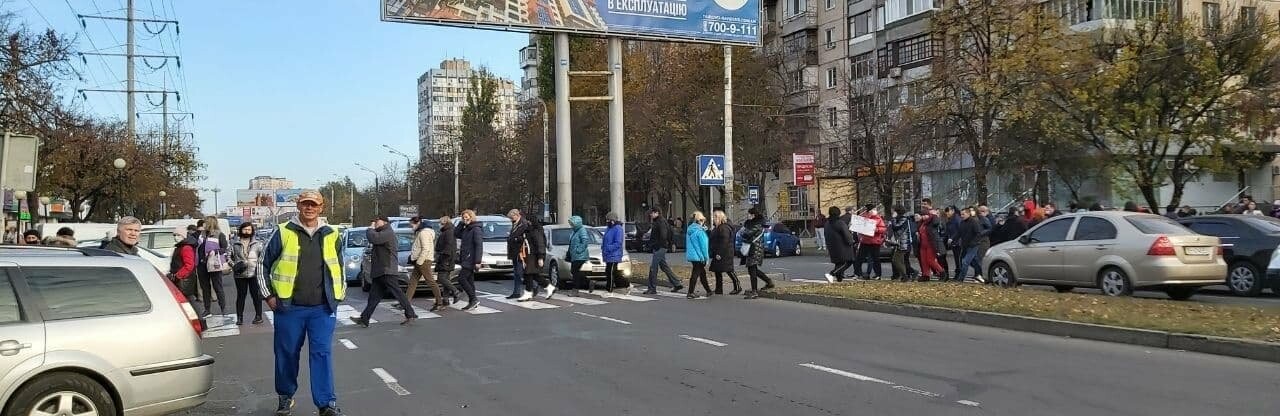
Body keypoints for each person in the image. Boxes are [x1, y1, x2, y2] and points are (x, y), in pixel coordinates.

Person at [256, 190, 346, 416]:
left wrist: (339, 295)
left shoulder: (332, 234)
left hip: (322, 308)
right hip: (289, 308)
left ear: (321, 207)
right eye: (305, 204)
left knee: (322, 354)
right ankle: (285, 396)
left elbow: (339, 267)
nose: (309, 208)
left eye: (313, 205)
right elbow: (262, 265)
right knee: (287, 354)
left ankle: (326, 404)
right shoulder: (283, 231)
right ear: (298, 206)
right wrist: (269, 296)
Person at [354, 216, 416, 327]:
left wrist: (369, 228)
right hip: (380, 270)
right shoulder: (382, 232)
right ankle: (364, 318)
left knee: (397, 292)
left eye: (377, 221)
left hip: (387, 269)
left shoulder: (387, 232)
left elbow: (374, 238)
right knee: (373, 297)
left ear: (385, 222)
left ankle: (410, 314)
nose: (375, 223)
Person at [195, 217, 230, 318]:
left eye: (205, 223)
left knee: (218, 287)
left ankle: (223, 309)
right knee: (205, 288)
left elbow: (225, 248)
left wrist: (216, 251)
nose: (204, 224)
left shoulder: (219, 234)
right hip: (201, 265)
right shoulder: (201, 235)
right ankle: (207, 310)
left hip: (214, 264)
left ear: (210, 223)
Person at [231, 223, 265, 326]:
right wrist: (234, 265)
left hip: (254, 273)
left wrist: (259, 270)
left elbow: (262, 257)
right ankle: (239, 317)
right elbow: (228, 256)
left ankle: (258, 316)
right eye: (245, 229)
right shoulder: (234, 243)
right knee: (241, 296)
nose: (247, 231)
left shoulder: (258, 244)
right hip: (240, 274)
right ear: (241, 230)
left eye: (249, 230)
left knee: (256, 296)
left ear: (252, 231)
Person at [409, 216, 446, 311]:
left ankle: (439, 302)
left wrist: (419, 261)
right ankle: (405, 302)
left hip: (423, 261)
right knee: (413, 282)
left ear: (418, 223)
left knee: (430, 282)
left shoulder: (423, 233)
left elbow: (425, 248)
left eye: (412, 224)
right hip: (421, 260)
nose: (411, 226)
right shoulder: (424, 232)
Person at [644, 208, 683, 294]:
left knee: (653, 267)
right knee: (664, 266)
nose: (651, 215)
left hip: (660, 247)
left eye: (652, 213)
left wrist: (657, 246)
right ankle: (677, 283)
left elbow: (663, 235)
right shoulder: (660, 221)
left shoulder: (660, 222)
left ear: (657, 213)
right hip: (661, 246)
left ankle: (652, 288)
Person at [170, 226, 206, 319]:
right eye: (174, 235)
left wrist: (178, 275)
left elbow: (189, 265)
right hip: (182, 278)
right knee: (188, 302)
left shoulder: (186, 248)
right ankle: (198, 321)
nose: (175, 237)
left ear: (183, 236)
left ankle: (200, 321)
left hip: (185, 279)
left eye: (177, 235)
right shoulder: (180, 246)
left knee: (191, 301)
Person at [739, 208, 774, 299]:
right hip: (753, 248)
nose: (748, 216)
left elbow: (746, 234)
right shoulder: (753, 224)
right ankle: (768, 281)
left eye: (749, 214)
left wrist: (743, 230)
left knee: (752, 269)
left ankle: (754, 291)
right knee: (753, 269)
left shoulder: (757, 224)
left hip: (755, 249)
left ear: (753, 215)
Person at [708, 210, 742, 294]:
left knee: (729, 270)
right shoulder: (718, 227)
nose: (713, 219)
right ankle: (719, 289)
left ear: (719, 218)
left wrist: (719, 253)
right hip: (719, 251)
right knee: (717, 270)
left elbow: (724, 241)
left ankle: (737, 286)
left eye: (715, 217)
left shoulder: (724, 227)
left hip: (724, 252)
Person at [457, 210, 483, 310]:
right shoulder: (466, 228)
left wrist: (478, 261)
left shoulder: (476, 229)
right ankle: (473, 301)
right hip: (465, 258)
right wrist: (461, 223)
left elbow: (479, 246)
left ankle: (473, 299)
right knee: (470, 280)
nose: (465, 219)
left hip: (470, 258)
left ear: (471, 217)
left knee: (461, 279)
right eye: (463, 218)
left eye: (467, 217)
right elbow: (456, 233)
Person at [523, 215, 554, 299]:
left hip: (534, 255)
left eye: (527, 221)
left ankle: (528, 293)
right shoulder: (530, 230)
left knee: (529, 274)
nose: (526, 222)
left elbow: (540, 244)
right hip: (530, 255)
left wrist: (540, 257)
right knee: (533, 275)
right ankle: (548, 286)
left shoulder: (535, 230)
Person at [504, 209, 532, 300]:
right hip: (515, 251)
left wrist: (515, 239)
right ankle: (516, 292)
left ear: (516, 215)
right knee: (517, 273)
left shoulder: (524, 224)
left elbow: (525, 237)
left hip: (521, 251)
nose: (511, 220)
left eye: (511, 218)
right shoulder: (516, 223)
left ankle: (534, 287)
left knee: (521, 273)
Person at [824, 206, 856, 283]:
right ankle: (832, 274)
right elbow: (847, 235)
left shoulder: (827, 223)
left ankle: (839, 280)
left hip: (831, 246)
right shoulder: (840, 223)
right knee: (848, 261)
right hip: (842, 246)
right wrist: (852, 241)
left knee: (839, 263)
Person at [434, 216, 462, 306]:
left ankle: (455, 291)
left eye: (440, 223)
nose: (439, 225)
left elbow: (448, 247)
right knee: (446, 279)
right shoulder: (447, 231)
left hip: (446, 259)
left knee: (441, 278)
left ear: (444, 223)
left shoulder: (448, 232)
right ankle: (445, 299)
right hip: (447, 258)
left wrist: (442, 257)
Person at [684, 211, 712, 299]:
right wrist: (705, 257)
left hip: (692, 255)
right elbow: (703, 246)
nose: (703, 222)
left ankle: (708, 290)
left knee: (701, 273)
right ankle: (690, 292)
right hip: (699, 256)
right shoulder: (699, 232)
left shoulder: (690, 229)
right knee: (696, 273)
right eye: (702, 220)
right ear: (700, 221)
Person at [855, 205, 887, 280]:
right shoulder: (864, 217)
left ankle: (878, 274)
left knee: (875, 258)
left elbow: (883, 229)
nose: (875, 210)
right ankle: (857, 273)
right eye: (873, 209)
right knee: (859, 258)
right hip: (865, 241)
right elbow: (859, 226)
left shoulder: (878, 218)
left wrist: (877, 230)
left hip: (874, 241)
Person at [956, 207, 986, 283]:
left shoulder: (974, 221)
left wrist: (973, 242)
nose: (962, 216)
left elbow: (978, 233)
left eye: (963, 214)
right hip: (966, 245)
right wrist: (952, 239)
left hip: (973, 245)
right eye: (961, 214)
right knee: (974, 262)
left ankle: (960, 279)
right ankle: (982, 273)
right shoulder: (962, 223)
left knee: (965, 262)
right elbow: (959, 233)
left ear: (968, 214)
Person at [917, 208, 946, 282]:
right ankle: (926, 275)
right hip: (923, 245)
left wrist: (934, 215)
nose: (924, 216)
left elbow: (937, 222)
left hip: (931, 244)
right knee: (924, 261)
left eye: (925, 215)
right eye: (922, 215)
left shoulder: (932, 221)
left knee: (930, 260)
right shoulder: (922, 223)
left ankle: (942, 273)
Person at [889, 205, 917, 281]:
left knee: (896, 260)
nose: (892, 212)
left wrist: (893, 218)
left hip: (904, 243)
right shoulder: (901, 218)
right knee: (900, 260)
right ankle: (906, 275)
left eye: (893, 210)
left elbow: (896, 227)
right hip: (901, 243)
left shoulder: (903, 219)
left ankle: (907, 275)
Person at [567, 215, 592, 293]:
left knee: (575, 272)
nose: (571, 225)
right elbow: (572, 243)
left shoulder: (582, 230)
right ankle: (589, 282)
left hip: (580, 255)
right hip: (575, 255)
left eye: (572, 224)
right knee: (575, 271)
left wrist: (578, 250)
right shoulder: (575, 231)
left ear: (576, 223)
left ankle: (575, 289)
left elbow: (585, 241)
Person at [602, 212, 625, 294]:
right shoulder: (609, 228)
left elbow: (618, 243)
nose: (607, 221)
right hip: (608, 255)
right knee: (610, 272)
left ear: (613, 220)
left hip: (614, 254)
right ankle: (626, 285)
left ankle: (609, 290)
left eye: (608, 220)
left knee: (610, 272)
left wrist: (608, 248)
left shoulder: (618, 228)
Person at [944, 206, 963, 280]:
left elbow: (959, 230)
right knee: (957, 259)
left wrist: (952, 238)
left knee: (958, 259)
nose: (947, 214)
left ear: (952, 211)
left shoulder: (956, 219)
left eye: (948, 212)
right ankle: (958, 273)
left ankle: (959, 273)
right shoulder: (951, 219)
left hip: (957, 242)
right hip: (954, 241)